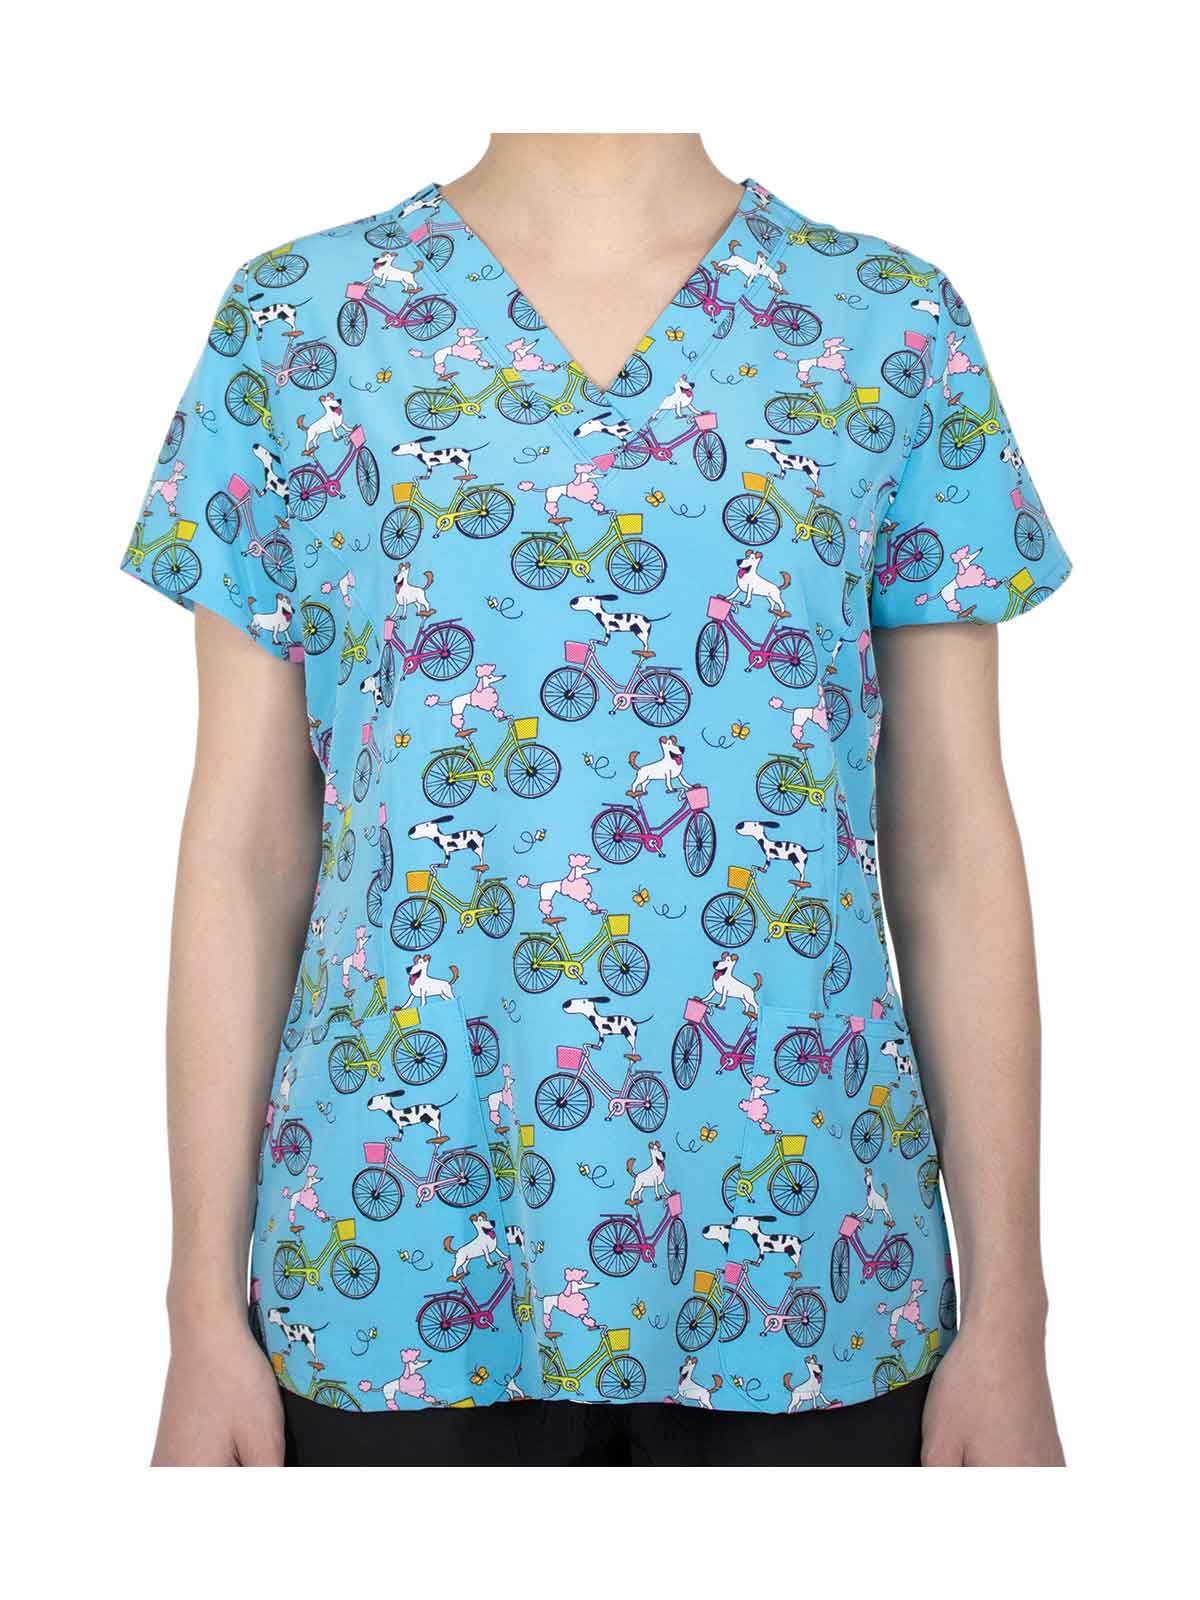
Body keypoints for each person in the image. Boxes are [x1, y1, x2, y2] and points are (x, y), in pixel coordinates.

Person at [125, 134, 1068, 1467]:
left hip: (813, 1266)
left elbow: (954, 845)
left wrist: (1014, 1317)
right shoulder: (300, 325)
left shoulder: (885, 324)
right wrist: (197, 1316)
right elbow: (245, 850)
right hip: (389, 1257)